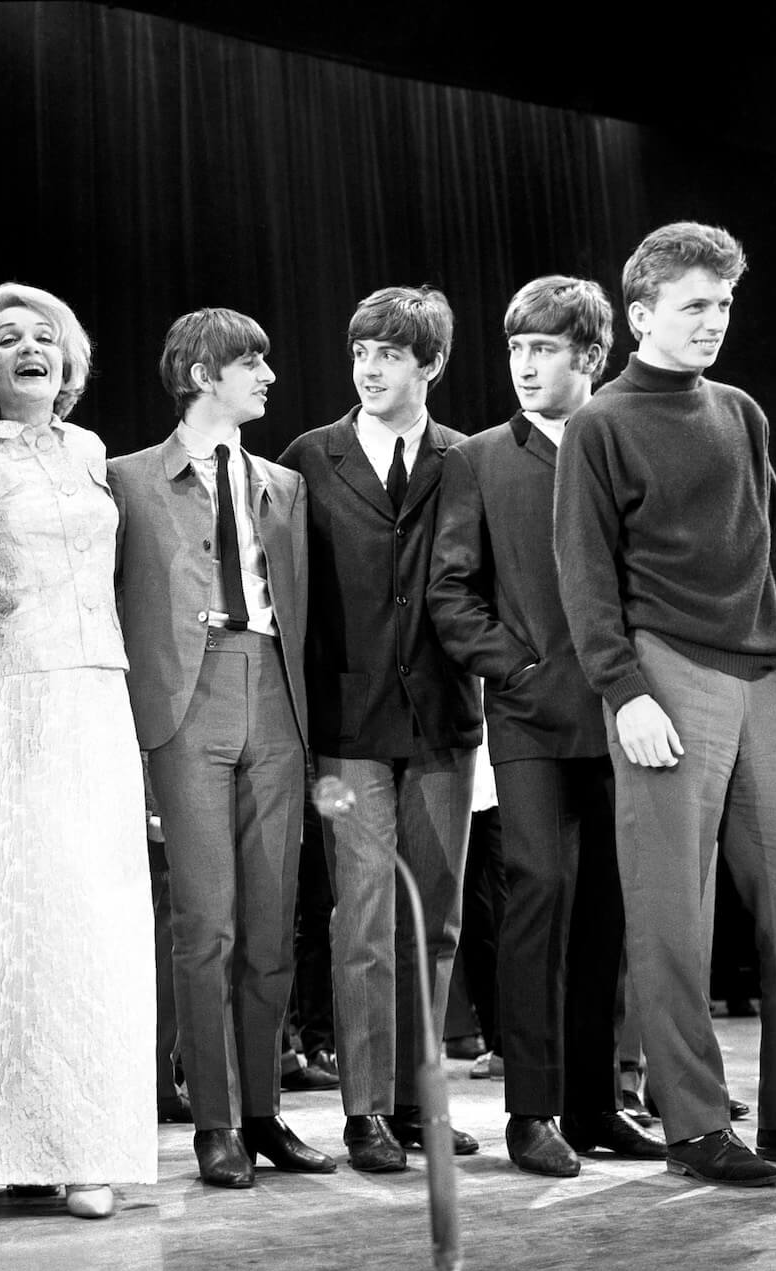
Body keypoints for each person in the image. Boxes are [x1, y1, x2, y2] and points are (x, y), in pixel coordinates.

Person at [555, 221, 776, 1186]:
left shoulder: (742, 412)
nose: (715, 321)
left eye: (725, 304)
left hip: (760, 678)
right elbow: (585, 575)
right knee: (674, 914)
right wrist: (624, 690)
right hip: (664, 670)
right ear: (641, 314)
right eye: (695, 305)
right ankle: (695, 1126)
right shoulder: (602, 424)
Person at [428, 275, 665, 1175]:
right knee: (537, 898)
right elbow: (452, 593)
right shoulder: (479, 458)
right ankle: (532, 1111)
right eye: (516, 347)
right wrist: (517, 666)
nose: (524, 365)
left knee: (610, 909)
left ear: (590, 357)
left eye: (544, 348)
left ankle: (595, 1105)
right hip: (530, 719)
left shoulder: (630, 442)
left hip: (634, 716)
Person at [0, 283, 156, 1218]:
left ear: (69, 362)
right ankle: (19, 1140)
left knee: (100, 917)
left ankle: (95, 1143)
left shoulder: (90, 450)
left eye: (45, 337)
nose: (28, 348)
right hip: (11, 692)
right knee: (26, 913)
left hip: (97, 692)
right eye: (6, 338)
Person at [110, 308, 334, 1189]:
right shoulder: (126, 479)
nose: (270, 377)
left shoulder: (284, 483)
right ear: (204, 374)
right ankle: (211, 1120)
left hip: (275, 694)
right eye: (253, 363)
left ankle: (263, 1112)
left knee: (274, 925)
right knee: (205, 924)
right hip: (183, 703)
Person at [279, 286, 481, 1174]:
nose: (369, 366)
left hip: (444, 721)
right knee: (361, 918)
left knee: (433, 925)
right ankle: (363, 1111)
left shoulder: (465, 459)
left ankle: (416, 1103)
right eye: (362, 349)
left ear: (430, 364)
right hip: (345, 726)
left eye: (391, 353)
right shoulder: (308, 458)